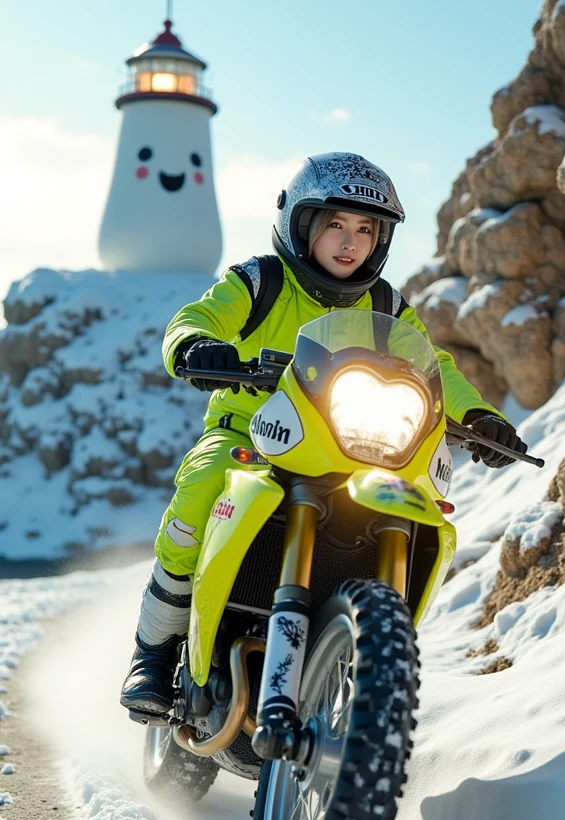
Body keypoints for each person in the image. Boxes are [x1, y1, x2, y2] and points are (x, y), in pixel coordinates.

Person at [120, 152, 527, 717]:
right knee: (206, 482)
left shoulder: (386, 304)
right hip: (251, 435)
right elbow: (198, 317)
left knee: (421, 500)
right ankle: (155, 653)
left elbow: (438, 369)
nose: (349, 241)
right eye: (335, 223)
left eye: (366, 229)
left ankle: (370, 671)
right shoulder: (260, 280)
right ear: (302, 224)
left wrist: (480, 416)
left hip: (352, 442)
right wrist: (196, 345)